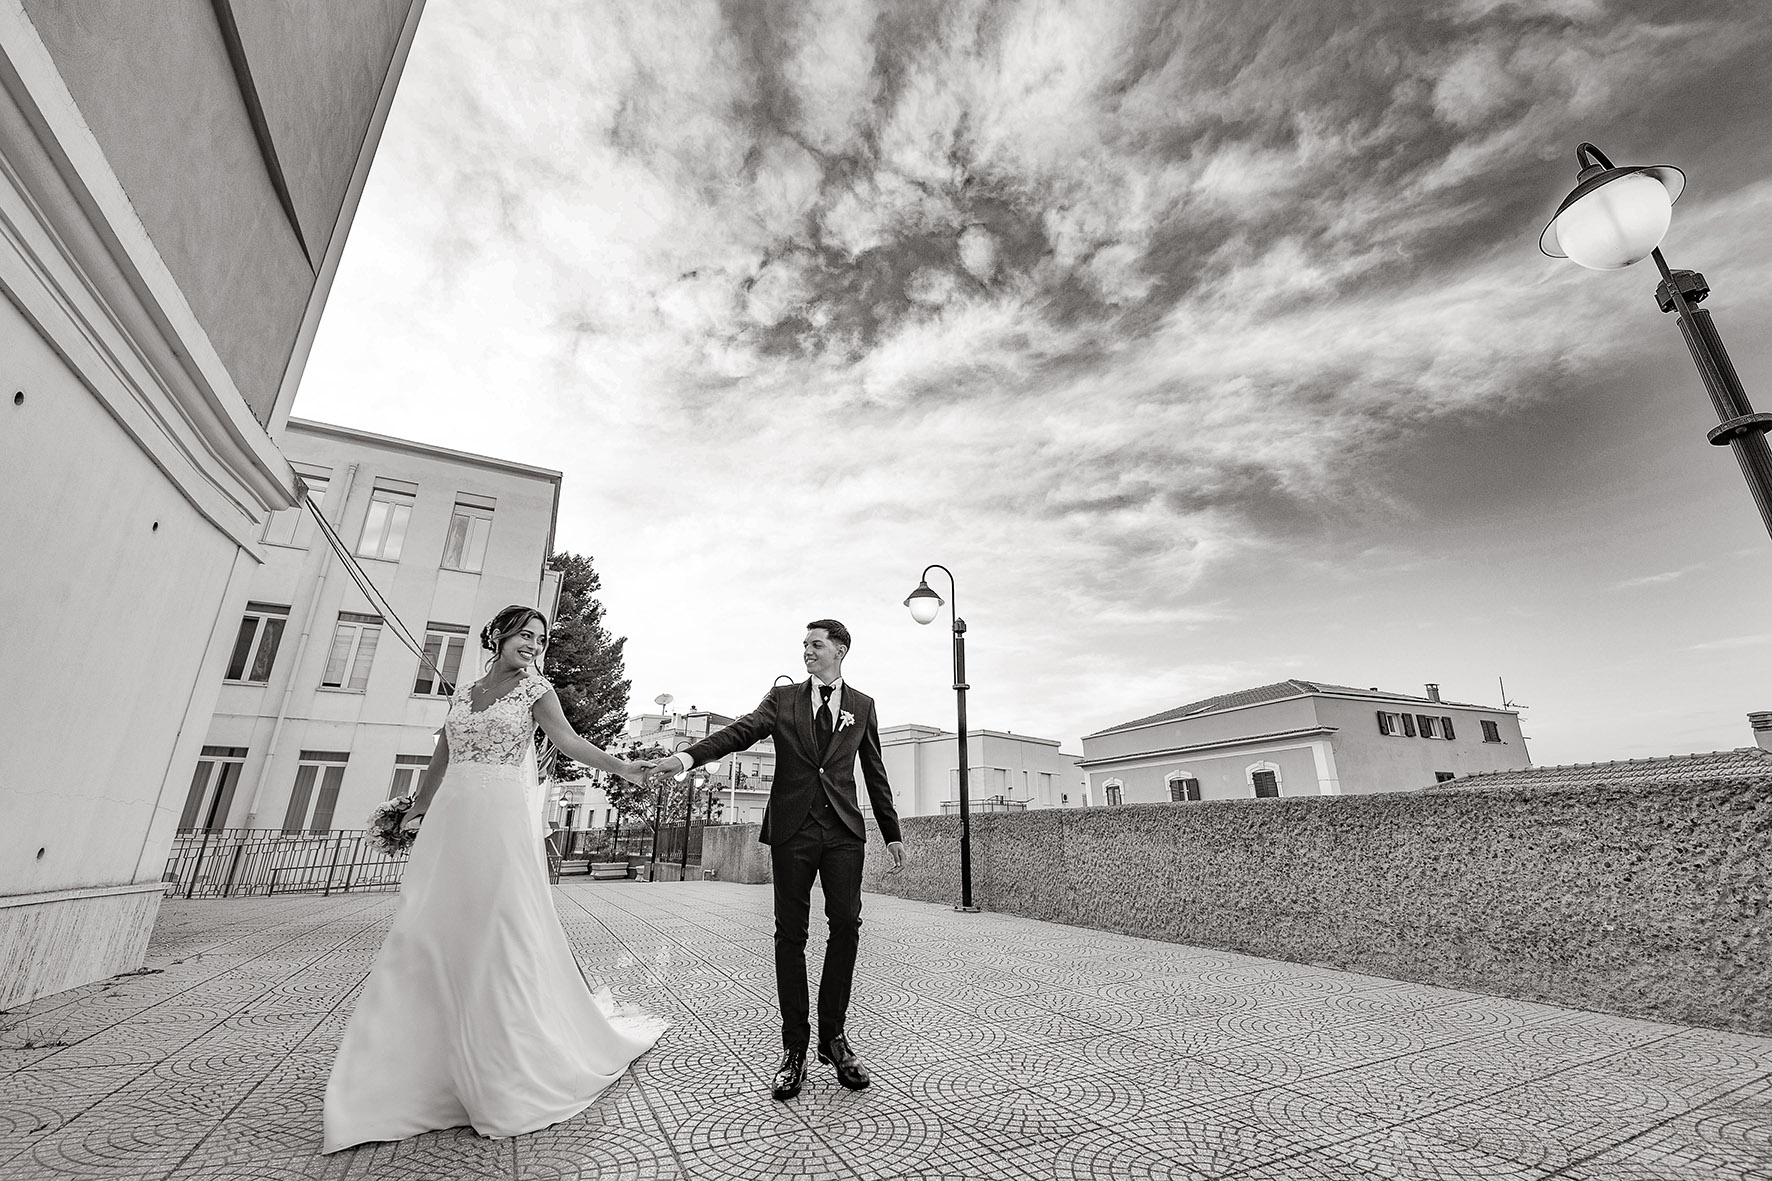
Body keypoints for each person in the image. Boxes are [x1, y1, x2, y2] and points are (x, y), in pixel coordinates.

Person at [323, 605, 663, 1152]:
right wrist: (416, 810)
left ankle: (502, 1066)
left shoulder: (538, 691)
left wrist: (623, 767)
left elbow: (571, 743)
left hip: (500, 814)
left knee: (495, 930)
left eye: (542, 638)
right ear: (500, 636)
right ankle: (415, 1070)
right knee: (428, 930)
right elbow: (441, 755)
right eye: (525, 635)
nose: (534, 644)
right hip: (453, 814)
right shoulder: (465, 691)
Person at [650, 618, 905, 1100]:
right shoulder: (783, 701)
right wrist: (686, 759)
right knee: (791, 934)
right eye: (805, 645)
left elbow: (874, 770)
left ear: (841, 651)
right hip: (793, 831)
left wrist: (891, 832)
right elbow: (740, 734)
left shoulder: (863, 706)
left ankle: (834, 1037)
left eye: (816, 644)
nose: (807, 652)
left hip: (845, 834)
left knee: (846, 926)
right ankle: (795, 1049)